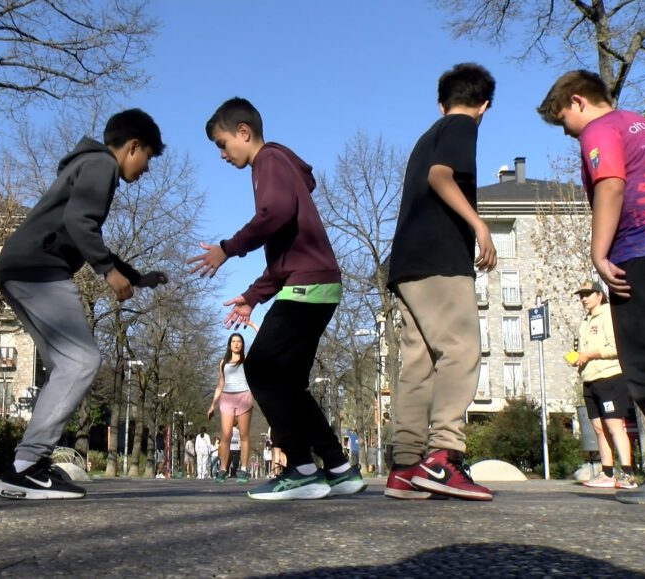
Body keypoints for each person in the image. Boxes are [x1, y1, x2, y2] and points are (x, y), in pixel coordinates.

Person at [538, 70, 645, 507]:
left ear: (577, 101)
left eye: (563, 120)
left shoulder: (600, 129)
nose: (567, 132)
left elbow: (611, 185)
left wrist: (599, 253)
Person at [189, 97, 364, 501]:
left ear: (243, 132)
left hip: (307, 288)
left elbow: (274, 214)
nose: (222, 155)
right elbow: (285, 251)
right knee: (289, 384)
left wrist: (227, 248)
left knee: (263, 369)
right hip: (315, 285)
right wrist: (254, 296)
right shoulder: (280, 168)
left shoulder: (267, 160)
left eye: (222, 144)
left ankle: (301, 469)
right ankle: (338, 468)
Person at [0, 108, 167, 500]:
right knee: (82, 360)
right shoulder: (101, 165)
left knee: (65, 365)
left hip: (19, 268)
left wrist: (135, 276)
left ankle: (28, 464)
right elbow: (81, 221)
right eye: (148, 158)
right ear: (133, 146)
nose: (146, 169)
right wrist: (108, 271)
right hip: (39, 269)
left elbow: (81, 228)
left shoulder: (86, 164)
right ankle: (26, 466)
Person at [384, 63, 497, 502]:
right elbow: (441, 175)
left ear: (440, 102)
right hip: (440, 258)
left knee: (418, 363)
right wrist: (479, 225)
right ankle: (444, 456)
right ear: (484, 106)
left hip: (407, 263)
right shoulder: (461, 126)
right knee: (461, 349)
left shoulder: (425, 136)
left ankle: (406, 465)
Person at [572, 280, 636, 489]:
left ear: (600, 295)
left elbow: (616, 347)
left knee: (614, 425)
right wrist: (577, 358)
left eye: (588, 294)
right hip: (590, 379)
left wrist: (588, 355)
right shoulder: (585, 321)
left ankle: (628, 474)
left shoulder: (608, 315)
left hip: (609, 378)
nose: (583, 298)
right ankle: (607, 473)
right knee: (599, 428)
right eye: (581, 295)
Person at [207, 331, 257, 483]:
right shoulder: (223, 363)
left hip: (243, 397)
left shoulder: (247, 359)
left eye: (239, 341)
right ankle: (223, 470)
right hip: (227, 398)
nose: (236, 344)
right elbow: (220, 385)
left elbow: (261, 339)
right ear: (229, 345)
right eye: (233, 341)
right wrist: (212, 405)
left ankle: (244, 469)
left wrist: (251, 325)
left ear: (242, 344)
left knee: (243, 435)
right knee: (226, 435)